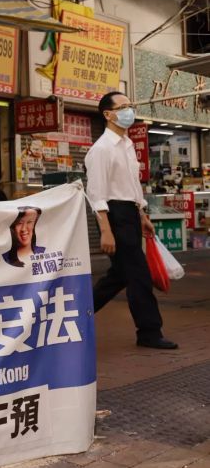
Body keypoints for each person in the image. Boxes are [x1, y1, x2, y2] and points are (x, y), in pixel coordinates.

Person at [86, 91, 177, 350]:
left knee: (120, 275)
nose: (130, 110)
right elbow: (96, 194)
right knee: (138, 275)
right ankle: (149, 331)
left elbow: (132, 187)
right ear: (108, 114)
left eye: (131, 105)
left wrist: (143, 215)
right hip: (114, 215)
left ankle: (79, 313)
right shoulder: (101, 150)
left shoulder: (126, 146)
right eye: (124, 106)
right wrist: (105, 230)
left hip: (130, 214)